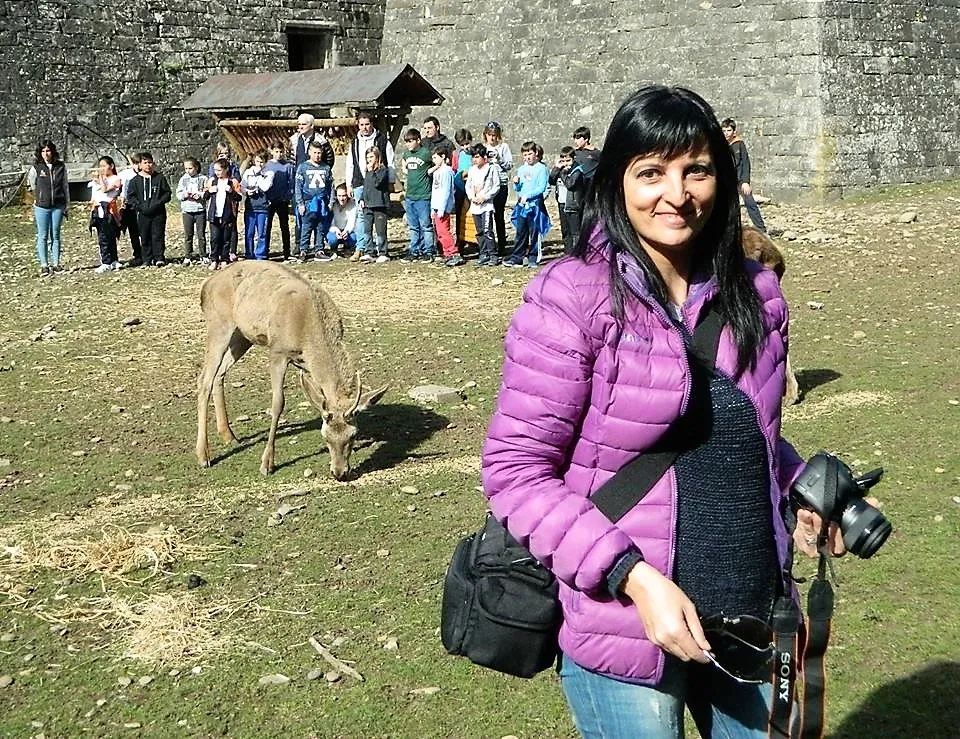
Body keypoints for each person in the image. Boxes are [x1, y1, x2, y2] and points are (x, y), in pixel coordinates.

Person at [481, 85, 841, 738]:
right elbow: (516, 470)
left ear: (721, 177)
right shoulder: (572, 296)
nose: (676, 193)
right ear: (617, 181)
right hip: (624, 618)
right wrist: (633, 577)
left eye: (696, 169)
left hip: (750, 613)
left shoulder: (756, 293)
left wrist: (805, 487)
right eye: (651, 172)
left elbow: (743, 432)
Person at [344, 111, 395, 260]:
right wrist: (349, 184)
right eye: (361, 125)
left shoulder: (382, 140)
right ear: (357, 125)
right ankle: (363, 248)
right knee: (362, 218)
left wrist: (391, 182)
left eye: (367, 124)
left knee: (379, 220)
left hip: (378, 183)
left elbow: (391, 163)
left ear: (372, 124)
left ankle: (381, 251)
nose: (364, 128)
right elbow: (350, 164)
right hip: (360, 183)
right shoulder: (354, 142)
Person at [504, 141, 550, 268]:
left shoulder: (541, 168)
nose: (527, 157)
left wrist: (528, 196)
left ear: (536, 154)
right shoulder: (521, 169)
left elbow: (541, 188)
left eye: (530, 154)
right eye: (525, 155)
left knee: (534, 232)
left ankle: (533, 257)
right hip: (522, 206)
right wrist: (516, 183)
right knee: (520, 232)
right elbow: (518, 189)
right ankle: (517, 257)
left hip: (535, 206)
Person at [27, 139, 69, 276]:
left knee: (55, 235)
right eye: (43, 151)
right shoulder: (36, 168)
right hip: (42, 206)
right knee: (42, 235)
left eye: (48, 150)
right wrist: (37, 197)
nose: (46, 154)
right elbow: (32, 184)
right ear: (40, 153)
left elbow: (65, 186)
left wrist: (67, 204)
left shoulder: (61, 167)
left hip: (58, 204)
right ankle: (44, 265)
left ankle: (56, 263)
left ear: (52, 151)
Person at [124, 152, 171, 268]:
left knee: (158, 235)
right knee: (144, 236)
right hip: (142, 213)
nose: (148, 165)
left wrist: (158, 203)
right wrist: (139, 206)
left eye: (150, 163)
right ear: (139, 164)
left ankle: (159, 257)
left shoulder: (159, 178)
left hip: (158, 212)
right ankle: (147, 259)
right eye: (145, 163)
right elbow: (130, 196)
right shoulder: (135, 181)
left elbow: (167, 194)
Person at [722, 118, 767, 232]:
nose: (726, 133)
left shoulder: (739, 144)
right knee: (730, 206)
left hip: (741, 180)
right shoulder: (723, 146)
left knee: (750, 203)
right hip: (728, 180)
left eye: (728, 130)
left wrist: (745, 181)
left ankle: (761, 229)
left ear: (734, 132)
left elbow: (745, 163)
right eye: (724, 131)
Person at [294, 140, 334, 261]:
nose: (317, 155)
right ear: (309, 152)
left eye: (319, 153)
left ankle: (319, 249)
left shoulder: (326, 168)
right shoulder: (303, 167)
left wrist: (331, 202)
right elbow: (298, 187)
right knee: (306, 227)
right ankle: (303, 250)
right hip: (308, 203)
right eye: (315, 152)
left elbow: (331, 187)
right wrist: (300, 203)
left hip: (322, 203)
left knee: (320, 227)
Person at [399, 128, 434, 262]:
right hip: (410, 195)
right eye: (406, 142)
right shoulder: (407, 154)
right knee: (413, 226)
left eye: (410, 141)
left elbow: (435, 162)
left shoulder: (425, 153)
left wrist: (432, 170)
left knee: (425, 225)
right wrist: (404, 168)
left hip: (423, 195)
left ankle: (429, 250)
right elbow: (404, 160)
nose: (408, 144)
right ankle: (414, 250)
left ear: (418, 140)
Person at [203, 158, 242, 270]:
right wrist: (209, 191)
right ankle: (214, 259)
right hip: (214, 214)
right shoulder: (211, 181)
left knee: (226, 239)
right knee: (215, 238)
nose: (217, 172)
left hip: (228, 215)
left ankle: (224, 259)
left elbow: (239, 197)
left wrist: (231, 191)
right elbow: (205, 196)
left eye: (219, 170)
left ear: (226, 169)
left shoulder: (233, 182)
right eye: (215, 170)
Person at [465, 143, 500, 267]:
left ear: (484, 157)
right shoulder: (472, 170)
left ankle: (493, 254)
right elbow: (468, 186)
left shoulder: (491, 169)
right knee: (479, 231)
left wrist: (485, 197)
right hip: (475, 206)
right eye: (473, 157)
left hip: (486, 206)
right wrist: (472, 197)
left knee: (487, 230)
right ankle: (483, 252)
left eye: (477, 157)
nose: (475, 160)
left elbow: (496, 186)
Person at [482, 121, 513, 255]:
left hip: (501, 184)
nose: (492, 138)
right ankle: (489, 246)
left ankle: (501, 245)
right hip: (487, 186)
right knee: (486, 216)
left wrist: (499, 158)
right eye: (489, 135)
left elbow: (509, 165)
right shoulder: (483, 148)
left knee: (498, 215)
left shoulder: (504, 147)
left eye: (494, 135)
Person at [87, 155, 123, 273]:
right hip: (99, 210)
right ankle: (105, 261)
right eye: (100, 166)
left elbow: (105, 189)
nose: (101, 169)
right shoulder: (95, 181)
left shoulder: (116, 179)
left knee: (111, 235)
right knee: (103, 237)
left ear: (111, 166)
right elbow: (94, 196)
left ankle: (113, 260)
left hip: (110, 210)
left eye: (104, 166)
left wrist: (101, 178)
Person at [428, 145, 460, 266]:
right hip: (436, 206)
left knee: (444, 231)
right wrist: (433, 208)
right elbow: (435, 191)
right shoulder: (437, 171)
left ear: (443, 157)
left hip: (443, 207)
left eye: (435, 157)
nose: (433, 160)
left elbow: (446, 191)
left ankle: (453, 253)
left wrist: (442, 207)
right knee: (439, 232)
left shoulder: (447, 172)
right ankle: (447, 253)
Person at [358, 147, 391, 264]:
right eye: (367, 157)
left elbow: (377, 183)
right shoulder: (367, 171)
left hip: (379, 205)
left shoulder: (383, 170)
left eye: (371, 157)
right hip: (367, 205)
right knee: (367, 230)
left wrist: (372, 171)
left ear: (377, 157)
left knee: (380, 230)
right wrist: (362, 199)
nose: (369, 159)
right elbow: (366, 186)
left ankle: (383, 252)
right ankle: (369, 252)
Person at [240, 150, 274, 260]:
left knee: (262, 233)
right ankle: (249, 254)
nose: (259, 164)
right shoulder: (248, 172)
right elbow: (242, 186)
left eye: (262, 162)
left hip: (263, 206)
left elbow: (265, 187)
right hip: (250, 206)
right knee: (249, 232)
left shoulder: (269, 172)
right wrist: (246, 191)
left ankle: (261, 254)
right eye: (257, 161)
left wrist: (259, 176)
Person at [263, 143, 294, 260]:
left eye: (281, 151)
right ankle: (265, 252)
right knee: (267, 227)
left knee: (284, 226)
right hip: (269, 201)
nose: (279, 154)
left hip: (282, 200)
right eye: (276, 151)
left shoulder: (288, 166)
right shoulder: (267, 165)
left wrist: (287, 197)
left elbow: (291, 182)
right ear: (271, 151)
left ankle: (287, 252)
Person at [176, 157, 209, 265]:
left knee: (201, 234)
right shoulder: (183, 179)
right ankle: (188, 255)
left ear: (196, 167)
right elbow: (178, 193)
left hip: (199, 210)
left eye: (190, 168)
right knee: (188, 235)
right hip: (187, 210)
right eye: (186, 168)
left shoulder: (203, 178)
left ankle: (203, 254)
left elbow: (206, 192)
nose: (188, 171)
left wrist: (200, 195)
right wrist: (184, 195)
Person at [549, 145, 580, 254]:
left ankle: (577, 254)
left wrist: (562, 173)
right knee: (565, 231)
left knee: (575, 232)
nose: (566, 163)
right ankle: (568, 253)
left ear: (573, 159)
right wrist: (556, 168)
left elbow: (570, 184)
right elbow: (551, 180)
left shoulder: (577, 170)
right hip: (562, 203)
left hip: (573, 205)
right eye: (563, 160)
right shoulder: (561, 169)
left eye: (568, 160)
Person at [117, 153, 142, 267]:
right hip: (125, 206)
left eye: (139, 163)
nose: (137, 166)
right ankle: (112, 258)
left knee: (136, 231)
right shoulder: (125, 174)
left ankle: (139, 255)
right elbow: (117, 186)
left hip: (137, 206)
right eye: (135, 163)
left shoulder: (143, 175)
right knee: (118, 230)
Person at [328, 184, 359, 256]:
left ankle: (348, 247)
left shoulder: (352, 205)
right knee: (332, 239)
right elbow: (331, 223)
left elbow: (352, 222)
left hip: (347, 231)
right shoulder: (333, 205)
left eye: (344, 196)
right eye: (339, 196)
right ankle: (333, 249)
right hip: (335, 230)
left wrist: (346, 231)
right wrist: (336, 230)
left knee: (353, 238)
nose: (341, 198)